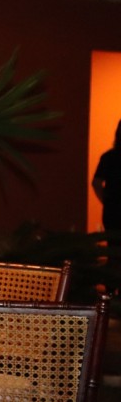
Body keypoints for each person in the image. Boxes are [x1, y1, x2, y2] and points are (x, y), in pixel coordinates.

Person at [93, 120, 121, 285]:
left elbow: (96, 182)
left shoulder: (109, 157)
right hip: (113, 209)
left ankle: (111, 287)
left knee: (114, 251)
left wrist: (106, 200)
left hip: (113, 210)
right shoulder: (109, 157)